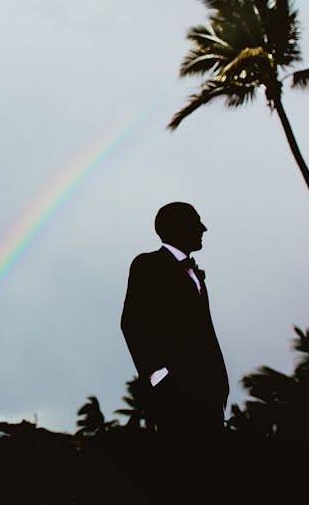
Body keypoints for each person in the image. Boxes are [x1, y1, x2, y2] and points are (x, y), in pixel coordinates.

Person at [120, 202, 229, 499]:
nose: (203, 229)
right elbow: (132, 321)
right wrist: (159, 375)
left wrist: (219, 385)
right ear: (177, 227)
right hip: (176, 394)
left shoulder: (195, 274)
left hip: (208, 393)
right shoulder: (148, 264)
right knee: (180, 479)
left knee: (210, 481)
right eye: (196, 222)